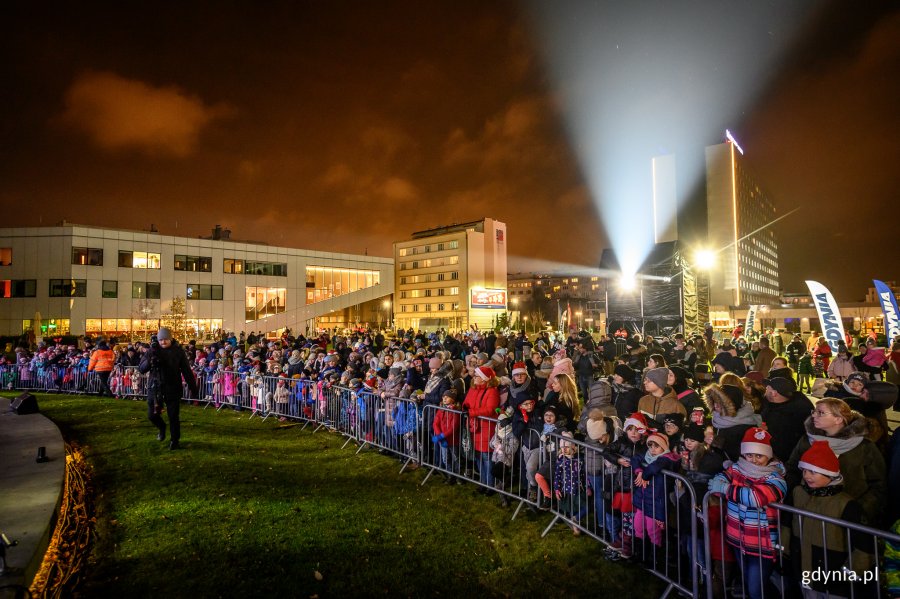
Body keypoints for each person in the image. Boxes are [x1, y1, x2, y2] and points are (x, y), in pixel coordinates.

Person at [789, 440, 876, 598]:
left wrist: (848, 576)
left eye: (813, 472)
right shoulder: (799, 493)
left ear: (829, 474)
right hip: (805, 573)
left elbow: (864, 545)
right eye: (804, 471)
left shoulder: (846, 504)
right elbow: (788, 523)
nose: (807, 476)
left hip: (835, 581)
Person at [708, 427, 787, 599]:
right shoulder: (737, 469)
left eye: (759, 455)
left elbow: (756, 497)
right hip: (737, 538)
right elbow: (718, 479)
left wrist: (726, 489)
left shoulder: (775, 478)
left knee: (755, 588)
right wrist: (722, 485)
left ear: (769, 455)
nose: (753, 460)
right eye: (749, 455)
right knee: (750, 583)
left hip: (761, 544)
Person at [785, 397, 887, 526]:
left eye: (821, 413)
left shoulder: (864, 447)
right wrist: (794, 497)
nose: (814, 416)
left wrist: (860, 510)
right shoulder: (806, 441)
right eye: (814, 411)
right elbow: (792, 469)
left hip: (847, 517)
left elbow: (878, 484)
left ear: (838, 419)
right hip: (808, 510)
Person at [139, 327, 199, 450]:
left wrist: (193, 388)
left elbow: (186, 371)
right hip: (155, 387)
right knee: (152, 415)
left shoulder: (178, 351)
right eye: (161, 340)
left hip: (172, 387)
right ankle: (161, 427)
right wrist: (150, 362)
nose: (163, 342)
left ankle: (174, 440)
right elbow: (141, 368)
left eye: (166, 339)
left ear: (170, 339)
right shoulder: (152, 351)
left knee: (173, 416)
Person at [463, 366, 501, 493]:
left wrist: (472, 412)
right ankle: (483, 483)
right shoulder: (473, 389)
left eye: (477, 376)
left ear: (485, 379)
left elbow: (490, 409)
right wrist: (465, 407)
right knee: (478, 456)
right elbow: (467, 402)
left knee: (487, 457)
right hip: (475, 428)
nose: (474, 378)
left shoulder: (492, 391)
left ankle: (490, 485)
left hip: (487, 428)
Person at [759, 376, 812, 463]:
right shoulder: (773, 403)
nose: (765, 391)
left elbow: (782, 445)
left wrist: (765, 432)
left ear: (774, 393)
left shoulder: (786, 417)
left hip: (782, 459)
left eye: (767, 389)